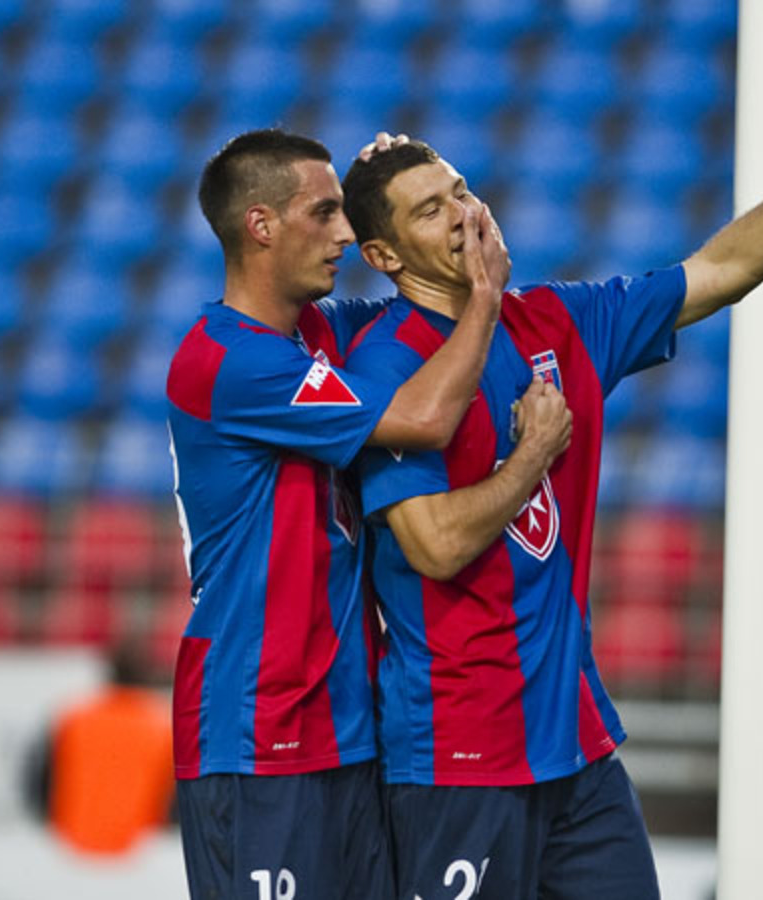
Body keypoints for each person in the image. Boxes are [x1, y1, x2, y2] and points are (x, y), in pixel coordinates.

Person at [339, 97, 763, 899]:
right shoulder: (386, 367)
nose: (463, 214)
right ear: (383, 254)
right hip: (456, 753)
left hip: (575, 747)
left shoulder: (556, 324)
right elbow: (435, 545)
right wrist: (533, 456)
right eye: (430, 210)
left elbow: (718, 272)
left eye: (462, 190)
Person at [165, 128, 517, 900]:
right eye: (325, 213)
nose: (348, 234)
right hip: (256, 731)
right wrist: (487, 301)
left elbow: (415, 294)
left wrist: (384, 166)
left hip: (347, 729)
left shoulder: (321, 333)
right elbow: (424, 419)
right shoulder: (225, 360)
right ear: (261, 225)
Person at [27, 643, 174, 856]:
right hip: (136, 848)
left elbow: (42, 780)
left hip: (70, 844)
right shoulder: (161, 724)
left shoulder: (73, 716)